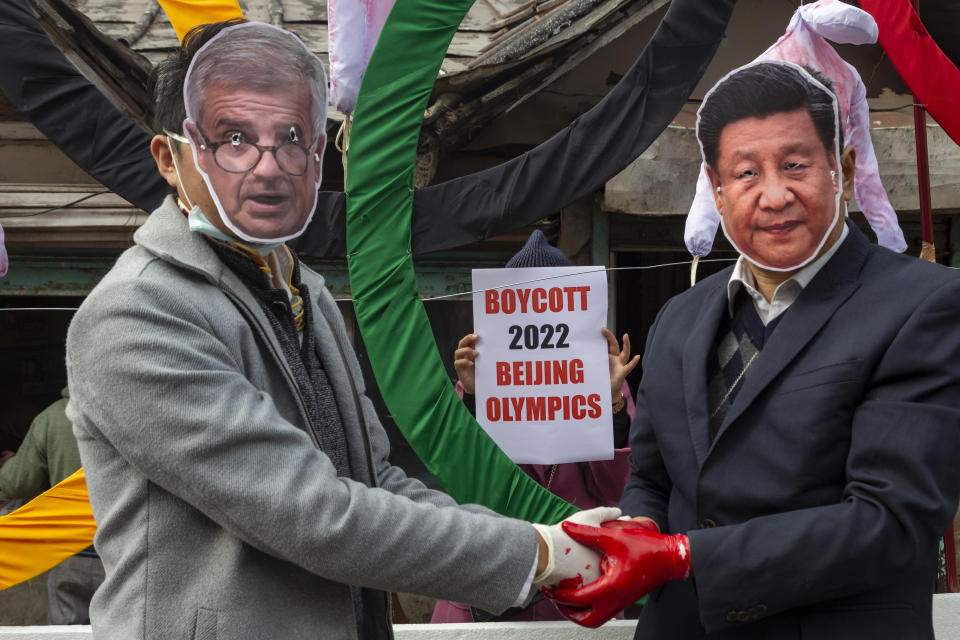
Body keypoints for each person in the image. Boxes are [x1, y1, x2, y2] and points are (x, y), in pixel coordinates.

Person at [64, 20, 620, 640]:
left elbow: (373, 481)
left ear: (318, 156)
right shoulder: (137, 313)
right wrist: (538, 554)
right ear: (171, 157)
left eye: (293, 137)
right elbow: (312, 513)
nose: (268, 167)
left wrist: (547, 543)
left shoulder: (307, 290)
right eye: (234, 139)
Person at [544, 61, 960, 639]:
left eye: (795, 165)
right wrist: (639, 529)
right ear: (717, 188)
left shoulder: (924, 305)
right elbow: (653, 477)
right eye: (746, 173)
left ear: (841, 168)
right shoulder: (679, 317)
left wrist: (685, 556)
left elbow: (890, 521)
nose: (773, 195)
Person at [431, 229, 639, 622]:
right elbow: (463, 478)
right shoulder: (475, 381)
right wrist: (476, 396)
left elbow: (618, 493)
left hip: (577, 582)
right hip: (488, 581)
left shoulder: (602, 381)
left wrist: (610, 402)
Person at [0, 388, 105, 624]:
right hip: (119, 550)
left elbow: (17, 484)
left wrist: (10, 464)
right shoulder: (130, 409)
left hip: (68, 552)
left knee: (64, 632)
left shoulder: (51, 417)